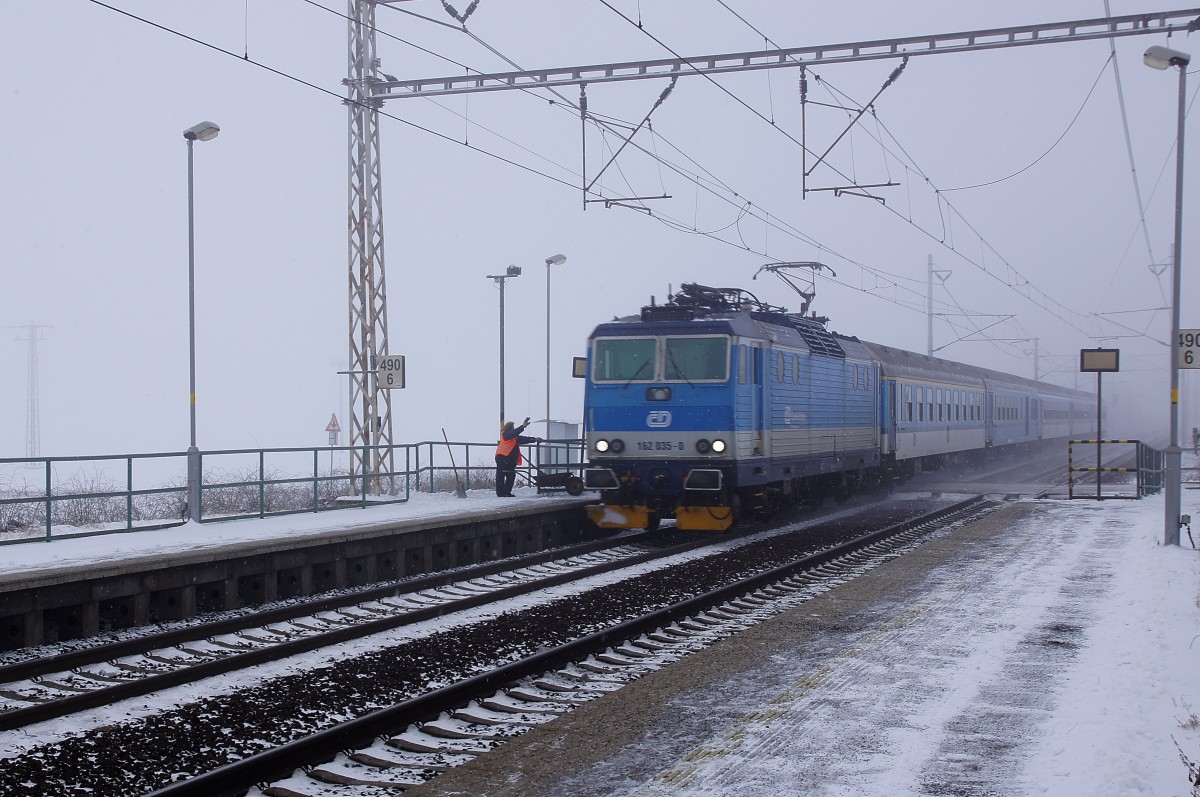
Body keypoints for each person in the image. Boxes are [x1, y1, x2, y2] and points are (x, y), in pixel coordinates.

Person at [495, 417, 540, 497]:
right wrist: (522, 426)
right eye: (512, 428)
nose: (514, 429)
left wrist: (535, 439)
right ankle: (500, 493)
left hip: (509, 460)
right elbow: (513, 433)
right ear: (509, 428)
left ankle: (506, 492)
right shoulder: (505, 435)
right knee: (501, 476)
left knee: (511, 476)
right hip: (502, 458)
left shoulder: (514, 437)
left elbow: (524, 439)